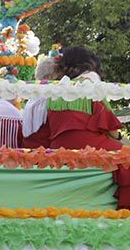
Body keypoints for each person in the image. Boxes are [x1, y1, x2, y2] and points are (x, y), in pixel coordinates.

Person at [45, 46, 129, 208]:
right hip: (86, 145)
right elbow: (111, 129)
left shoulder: (57, 88)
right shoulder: (91, 83)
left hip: (59, 147)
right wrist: (122, 141)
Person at [21, 55, 59, 149]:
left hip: (28, 151)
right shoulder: (50, 98)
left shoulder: (32, 97)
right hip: (44, 154)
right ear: (49, 77)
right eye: (58, 75)